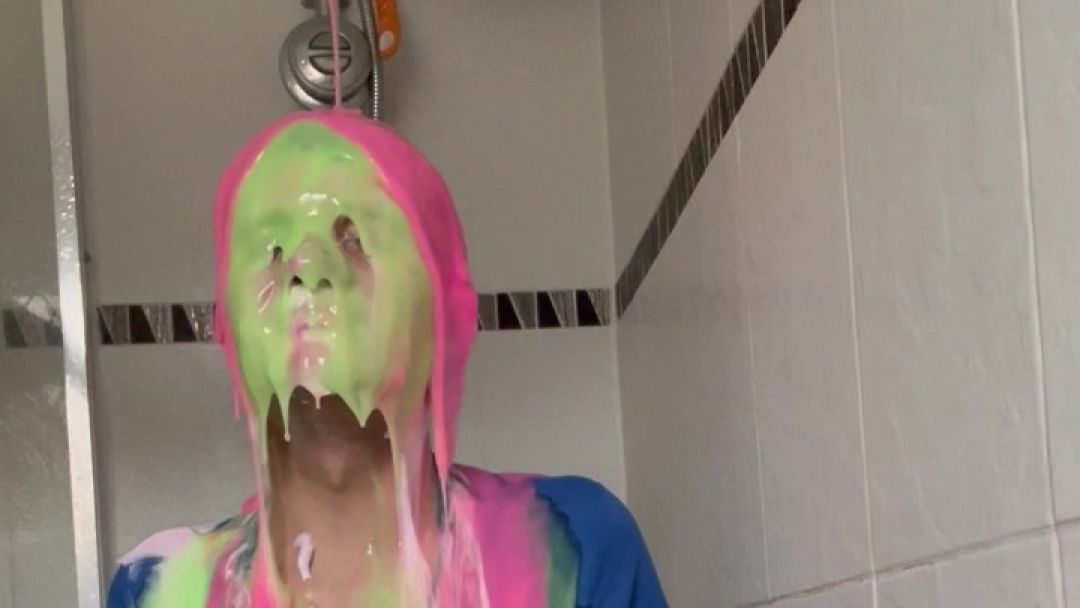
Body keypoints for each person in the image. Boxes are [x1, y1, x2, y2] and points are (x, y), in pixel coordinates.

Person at [106, 110, 666, 607]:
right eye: (271, 248)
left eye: (355, 238)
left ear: (443, 314)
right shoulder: (155, 590)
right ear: (227, 330)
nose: (306, 267)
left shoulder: (572, 547)